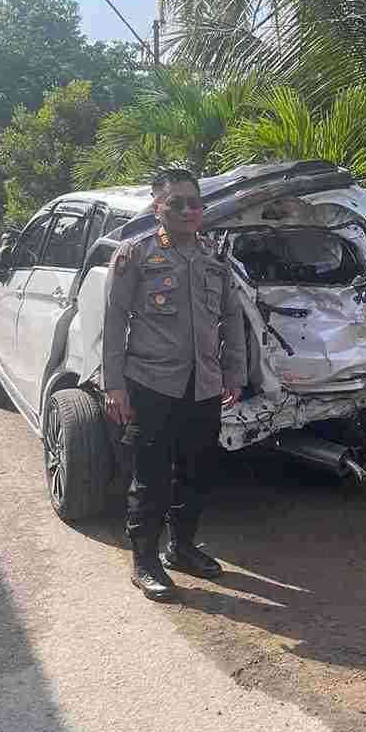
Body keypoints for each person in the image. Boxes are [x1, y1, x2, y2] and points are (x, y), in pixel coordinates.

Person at [103, 172, 248, 602]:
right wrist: (115, 386)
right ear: (157, 208)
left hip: (203, 386)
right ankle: (144, 560)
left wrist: (235, 374)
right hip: (152, 384)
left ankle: (182, 549)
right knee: (151, 477)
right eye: (178, 203)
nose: (189, 211)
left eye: (195, 204)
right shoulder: (136, 255)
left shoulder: (213, 259)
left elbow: (232, 319)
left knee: (197, 472)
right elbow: (114, 322)